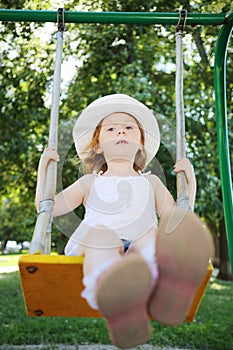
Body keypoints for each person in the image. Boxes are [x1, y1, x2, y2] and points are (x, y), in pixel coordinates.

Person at [36, 94, 213, 349]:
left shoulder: (151, 182)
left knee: (151, 236)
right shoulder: (89, 183)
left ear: (140, 142)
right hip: (97, 249)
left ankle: (156, 287)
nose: (121, 130)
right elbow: (46, 208)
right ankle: (112, 294)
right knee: (102, 235)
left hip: (138, 253)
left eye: (129, 127)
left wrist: (190, 183)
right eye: (111, 128)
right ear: (98, 146)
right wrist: (44, 169)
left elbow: (177, 220)